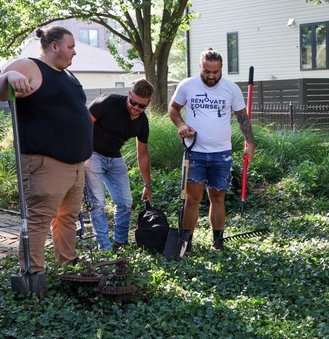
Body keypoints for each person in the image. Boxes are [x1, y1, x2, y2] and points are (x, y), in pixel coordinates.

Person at [0, 26, 93, 275]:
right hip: (46, 163)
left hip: (76, 164)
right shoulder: (30, 66)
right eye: (71, 47)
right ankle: (33, 274)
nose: (75, 52)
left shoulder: (67, 75)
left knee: (67, 217)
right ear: (54, 46)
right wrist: (9, 77)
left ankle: (68, 266)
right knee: (39, 219)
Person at [168, 48, 254, 251]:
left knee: (217, 198)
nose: (211, 76)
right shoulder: (187, 85)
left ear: (221, 68)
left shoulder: (231, 89)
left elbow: (242, 117)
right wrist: (181, 124)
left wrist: (250, 143)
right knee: (193, 199)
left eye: (215, 72)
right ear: (201, 66)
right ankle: (186, 244)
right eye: (207, 71)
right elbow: (173, 108)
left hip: (221, 154)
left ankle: (218, 242)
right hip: (194, 152)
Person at [85, 79, 155, 251]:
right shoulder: (108, 102)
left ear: (148, 104)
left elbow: (143, 154)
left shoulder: (142, 122)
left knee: (125, 202)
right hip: (92, 154)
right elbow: (83, 123)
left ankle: (120, 241)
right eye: (133, 102)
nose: (136, 108)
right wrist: (78, 155)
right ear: (129, 94)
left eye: (141, 106)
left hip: (114, 158)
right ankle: (105, 248)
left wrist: (147, 184)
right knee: (98, 203)